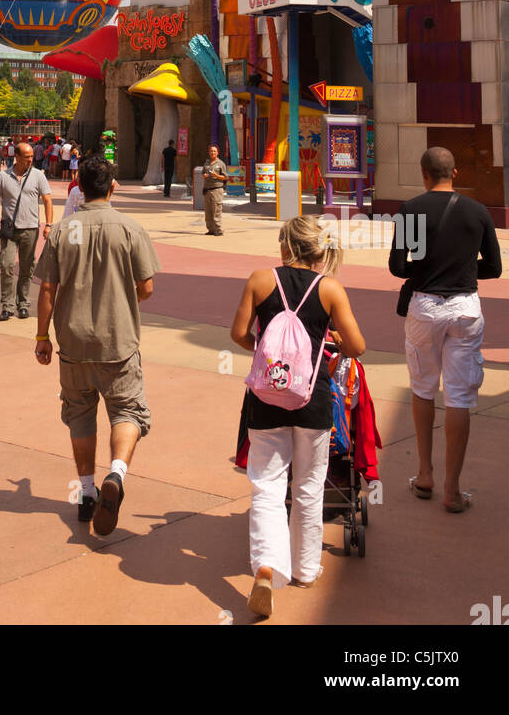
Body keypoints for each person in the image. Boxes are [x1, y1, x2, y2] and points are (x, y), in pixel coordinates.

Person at [231, 216, 365, 617]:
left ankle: (267, 568)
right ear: (318, 249)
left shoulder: (259, 279)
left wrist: (272, 352)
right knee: (308, 486)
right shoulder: (330, 289)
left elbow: (238, 333)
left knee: (268, 485)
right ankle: (306, 569)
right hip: (314, 400)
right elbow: (357, 345)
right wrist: (331, 338)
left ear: (286, 246)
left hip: (267, 397)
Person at [35, 155, 161, 535]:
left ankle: (87, 493)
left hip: (72, 341)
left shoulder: (63, 230)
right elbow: (147, 288)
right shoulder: (130, 229)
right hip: (117, 340)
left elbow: (46, 288)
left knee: (79, 413)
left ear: (78, 185)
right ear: (112, 186)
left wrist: (42, 336)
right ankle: (117, 476)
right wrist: (119, 301)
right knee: (127, 411)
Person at [389, 146, 502, 513]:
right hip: (465, 308)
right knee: (460, 397)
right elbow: (494, 268)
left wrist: (427, 268)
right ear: (455, 174)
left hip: (425, 306)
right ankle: (453, 490)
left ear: (424, 174)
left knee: (423, 389)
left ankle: (425, 474)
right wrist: (464, 271)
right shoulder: (477, 211)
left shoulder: (412, 210)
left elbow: (398, 265)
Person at [0, 142, 53, 322]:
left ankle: (23, 304)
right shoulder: (3, 177)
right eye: (27, 157)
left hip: (30, 228)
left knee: (26, 268)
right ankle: (7, 306)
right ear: (17, 157)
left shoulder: (38, 176)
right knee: (6, 265)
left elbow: (47, 200)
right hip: (9, 229)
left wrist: (49, 224)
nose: (31, 160)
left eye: (32, 157)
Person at [203, 144, 227, 235]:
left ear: (217, 153)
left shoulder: (220, 164)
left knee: (216, 210)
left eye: (214, 151)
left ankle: (218, 230)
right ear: (209, 152)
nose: (212, 152)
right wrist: (205, 175)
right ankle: (210, 229)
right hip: (207, 189)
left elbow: (225, 177)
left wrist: (216, 175)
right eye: (211, 151)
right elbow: (203, 172)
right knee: (208, 211)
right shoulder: (207, 163)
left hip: (217, 189)